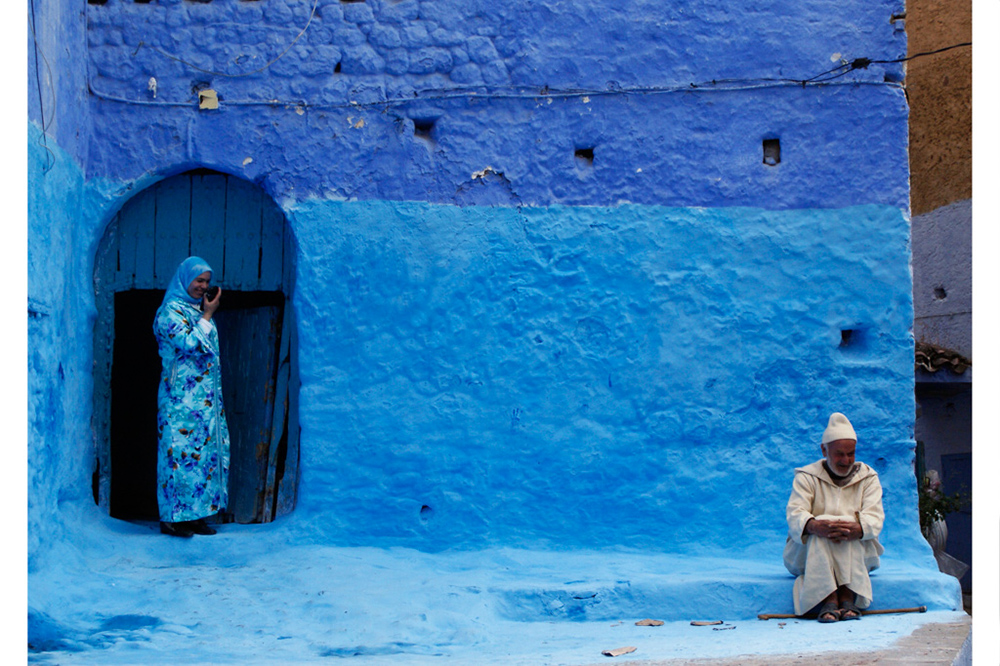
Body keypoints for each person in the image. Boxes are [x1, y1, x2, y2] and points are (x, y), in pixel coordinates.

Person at [153, 256, 231, 537]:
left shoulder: (194, 311)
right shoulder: (169, 313)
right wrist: (208, 315)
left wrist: (204, 314)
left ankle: (195, 516)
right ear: (185, 279)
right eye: (199, 280)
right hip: (179, 401)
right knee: (178, 456)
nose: (203, 287)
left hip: (203, 402)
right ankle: (172, 518)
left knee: (202, 457)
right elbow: (190, 344)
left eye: (207, 282)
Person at [783, 412, 884, 622]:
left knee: (848, 525)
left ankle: (846, 595)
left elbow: (874, 517)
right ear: (824, 450)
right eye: (839, 454)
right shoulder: (806, 477)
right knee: (820, 525)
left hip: (858, 554)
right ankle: (830, 598)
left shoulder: (868, 478)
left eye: (851, 453)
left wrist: (855, 529)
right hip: (807, 556)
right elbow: (795, 513)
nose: (846, 460)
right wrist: (814, 526)